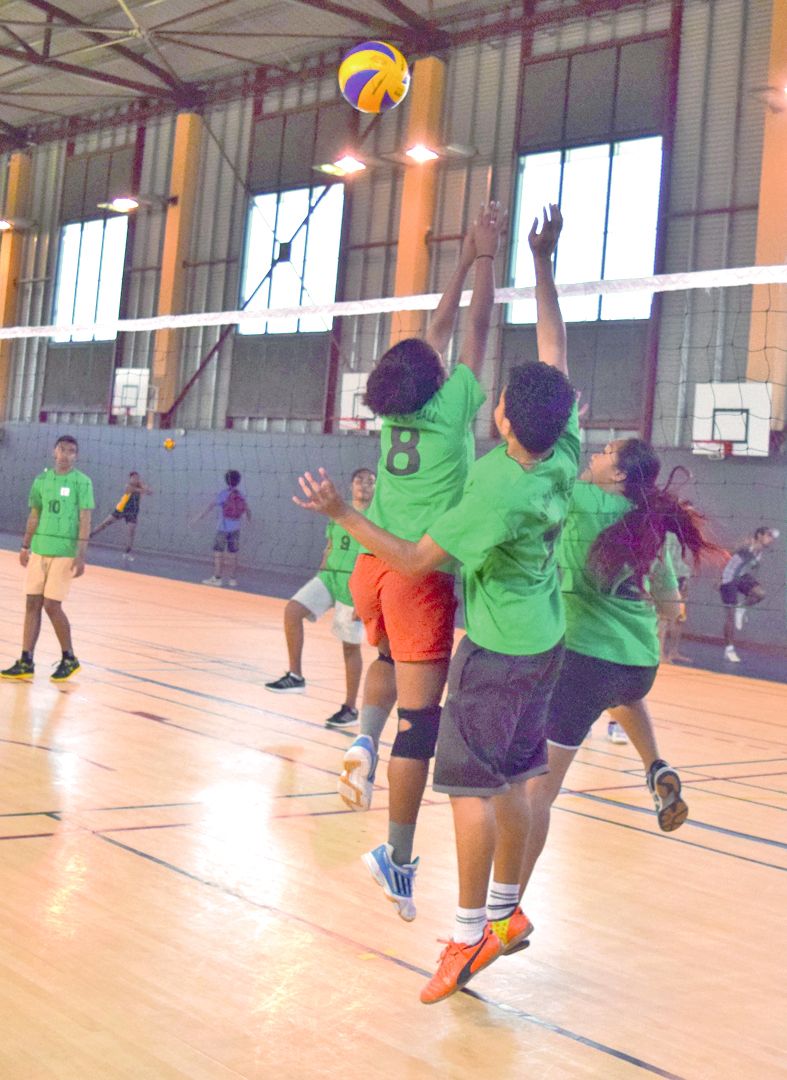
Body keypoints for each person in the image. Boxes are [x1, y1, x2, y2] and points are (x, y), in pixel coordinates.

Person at [296, 204, 577, 1005]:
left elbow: (439, 337)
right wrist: (512, 264)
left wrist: (342, 516)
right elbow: (511, 341)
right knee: (506, 773)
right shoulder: (547, 457)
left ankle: (365, 749)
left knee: (461, 765)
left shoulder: (430, 437)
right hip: (529, 634)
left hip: (397, 582)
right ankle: (468, 896)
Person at [335, 202, 507, 923]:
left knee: (383, 659)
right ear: (438, 380)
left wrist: (464, 256)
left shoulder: (394, 408)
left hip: (369, 563)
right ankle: (397, 859)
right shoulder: (454, 401)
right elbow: (471, 328)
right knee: (423, 723)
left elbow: (435, 335)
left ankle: (360, 742)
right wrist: (486, 256)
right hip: (417, 574)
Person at [517, 442, 726, 926]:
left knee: (538, 794)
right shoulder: (650, 523)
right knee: (622, 696)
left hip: (584, 660)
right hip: (638, 663)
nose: (596, 452)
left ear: (618, 477)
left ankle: (506, 908)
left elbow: (541, 475)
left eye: (607, 452)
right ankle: (655, 767)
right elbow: (672, 608)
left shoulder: (585, 499)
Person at [265, 468, 376, 727]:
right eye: (359, 480)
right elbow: (330, 544)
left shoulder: (378, 515)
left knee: (349, 646)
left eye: (370, 481)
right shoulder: (338, 510)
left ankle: (349, 709)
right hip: (328, 576)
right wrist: (322, 569)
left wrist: (367, 593)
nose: (364, 485)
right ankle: (295, 675)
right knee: (292, 610)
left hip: (355, 582)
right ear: (351, 485)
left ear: (376, 487)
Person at [1, 434, 94, 682]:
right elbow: (34, 513)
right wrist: (25, 545)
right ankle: (25, 660)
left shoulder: (82, 482)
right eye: (62, 449)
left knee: (52, 605)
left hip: (64, 551)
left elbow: (85, 519)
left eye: (71, 451)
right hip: (40, 549)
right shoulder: (42, 480)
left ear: (76, 455)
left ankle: (69, 657)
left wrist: (81, 554)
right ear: (54, 451)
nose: (65, 454)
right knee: (32, 603)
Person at [720, 526, 779, 662]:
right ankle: (729, 649)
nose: (771, 540)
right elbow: (728, 553)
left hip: (741, 577)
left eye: (772, 537)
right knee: (730, 615)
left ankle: (743, 607)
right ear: (759, 535)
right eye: (768, 536)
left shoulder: (760, 552)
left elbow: (753, 568)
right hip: (728, 578)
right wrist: (719, 577)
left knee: (760, 594)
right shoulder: (747, 544)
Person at [194, 470, 251, 587]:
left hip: (222, 528)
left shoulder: (223, 494)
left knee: (218, 553)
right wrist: (250, 521)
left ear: (226, 480)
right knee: (233, 553)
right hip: (235, 529)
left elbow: (210, 506)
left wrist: (198, 518)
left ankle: (217, 578)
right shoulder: (241, 495)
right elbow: (247, 510)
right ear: (238, 481)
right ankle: (233, 579)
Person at [90, 471, 152, 561]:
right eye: (134, 478)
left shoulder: (140, 486)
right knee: (104, 524)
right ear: (130, 478)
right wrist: (143, 489)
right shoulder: (128, 486)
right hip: (121, 509)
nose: (135, 479)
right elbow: (136, 490)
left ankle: (127, 553)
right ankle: (89, 536)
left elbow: (150, 492)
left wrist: (143, 485)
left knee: (131, 533)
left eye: (137, 478)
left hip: (133, 512)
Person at [660, 529, 692, 664]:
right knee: (664, 617)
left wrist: (687, 578)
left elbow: (685, 561)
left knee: (680, 617)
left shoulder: (687, 536)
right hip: (670, 579)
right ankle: (660, 652)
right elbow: (666, 560)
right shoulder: (669, 535)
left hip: (682, 578)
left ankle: (674, 651)